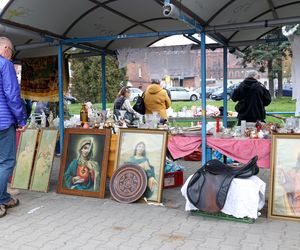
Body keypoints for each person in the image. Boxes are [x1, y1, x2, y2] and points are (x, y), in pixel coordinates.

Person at [0, 36, 27, 218]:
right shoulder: (4, 64)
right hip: (2, 122)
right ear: (6, 49)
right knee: (6, 161)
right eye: (12, 52)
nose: (12, 56)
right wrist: (21, 120)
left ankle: (4, 197)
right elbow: (11, 94)